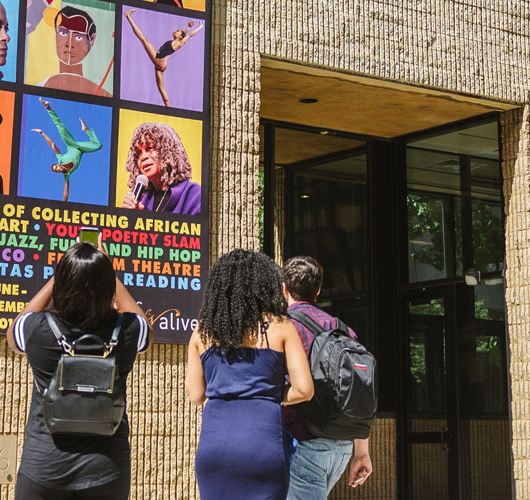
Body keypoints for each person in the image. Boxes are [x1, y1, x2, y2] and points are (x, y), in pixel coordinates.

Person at [11, 243, 151, 500]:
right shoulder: (128, 331)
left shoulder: (37, 330)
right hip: (107, 472)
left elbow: (13, 333)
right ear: (107, 286)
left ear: (62, 285)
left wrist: (62, 276)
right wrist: (107, 273)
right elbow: (145, 329)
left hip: (44, 469)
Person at [188, 249, 315, 500]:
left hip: (215, 445)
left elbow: (195, 395)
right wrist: (266, 393)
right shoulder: (281, 327)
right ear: (265, 284)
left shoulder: (202, 333)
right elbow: (304, 389)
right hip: (262, 442)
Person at [279, 257, 374, 498]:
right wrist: (362, 453)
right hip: (341, 447)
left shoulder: (284, 327)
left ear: (284, 288)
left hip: (304, 443)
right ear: (318, 290)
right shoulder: (343, 330)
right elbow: (357, 390)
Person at [123, 121, 203, 214]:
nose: (143, 157)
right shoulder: (141, 200)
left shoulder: (195, 194)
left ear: (168, 151)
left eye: (150, 148)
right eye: (138, 153)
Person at [124, 11, 201, 107]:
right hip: (160, 64)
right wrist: (188, 28)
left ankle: (128, 17)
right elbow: (184, 35)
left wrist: (199, 27)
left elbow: (188, 36)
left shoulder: (178, 44)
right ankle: (167, 107)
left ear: (179, 36)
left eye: (177, 31)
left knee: (144, 39)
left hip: (159, 59)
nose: (175, 30)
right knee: (161, 89)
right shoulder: (176, 41)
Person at [42, 6, 111, 96]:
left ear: (92, 40)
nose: (69, 44)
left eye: (78, 37)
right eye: (63, 33)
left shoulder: (103, 93)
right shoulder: (43, 84)